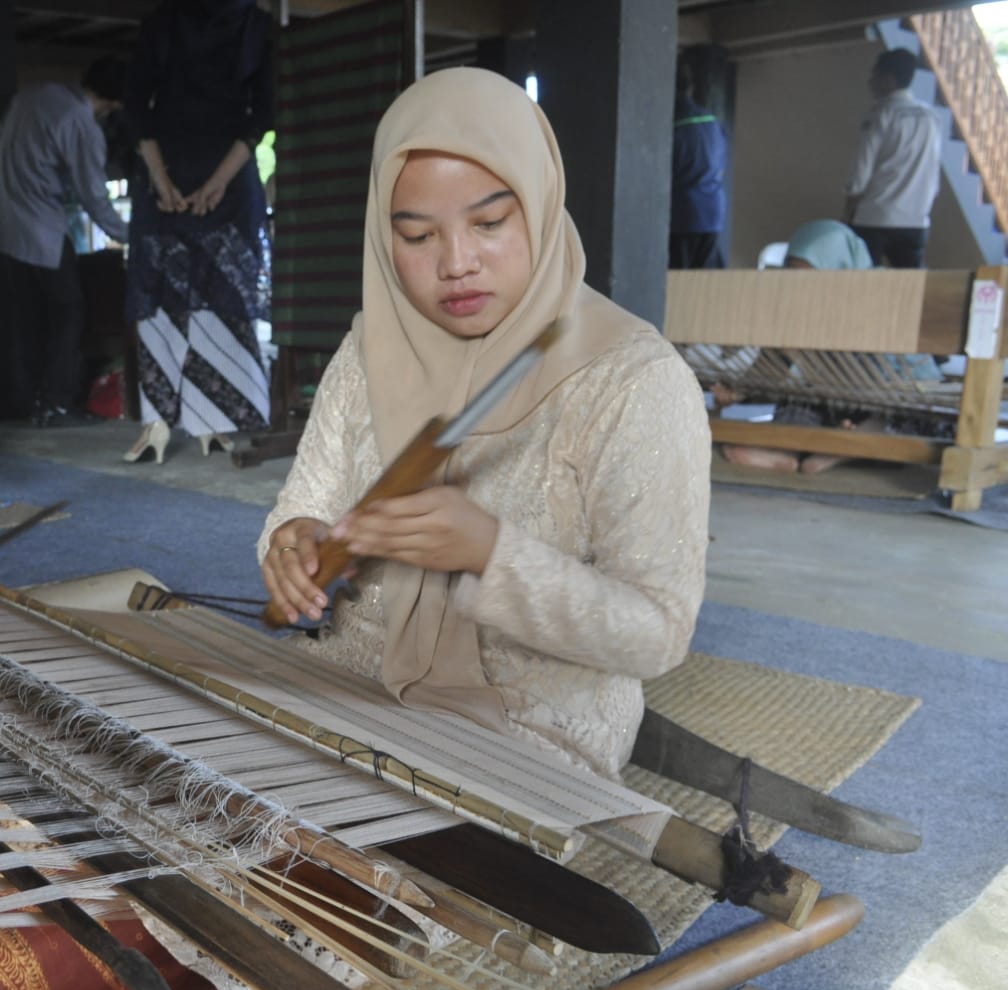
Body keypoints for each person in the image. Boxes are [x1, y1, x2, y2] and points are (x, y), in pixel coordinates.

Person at [259, 67, 711, 780]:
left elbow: (657, 634)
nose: (457, 264)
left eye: (490, 223)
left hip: (524, 726)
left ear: (540, 202)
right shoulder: (369, 347)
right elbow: (303, 509)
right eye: (416, 236)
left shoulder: (632, 380)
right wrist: (292, 548)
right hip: (345, 682)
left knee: (373, 878)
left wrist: (490, 553)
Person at [121, 0, 275, 464]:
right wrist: (182, 180)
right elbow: (262, 114)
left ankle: (189, 420)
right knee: (189, 296)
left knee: (191, 295)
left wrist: (165, 178)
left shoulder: (164, 24)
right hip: (202, 173)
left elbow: (136, 107)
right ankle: (190, 422)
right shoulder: (253, 25)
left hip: (185, 172)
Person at [716, 218, 945, 475]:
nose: (803, 289)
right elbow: (770, 368)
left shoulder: (882, 298)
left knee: (907, 418)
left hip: (897, 398)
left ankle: (843, 446)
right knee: (801, 402)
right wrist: (738, 393)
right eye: (793, 276)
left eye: (813, 278)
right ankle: (786, 450)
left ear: (840, 269)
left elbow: (897, 375)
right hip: (841, 400)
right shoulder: (798, 314)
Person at [0, 57, 130, 425]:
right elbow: (93, 196)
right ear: (116, 102)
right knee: (69, 311)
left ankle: (27, 402)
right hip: (39, 226)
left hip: (1, 222)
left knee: (27, 316)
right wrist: (129, 235)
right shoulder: (82, 123)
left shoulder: (35, 94)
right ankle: (58, 404)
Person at [845, 49, 942, 268]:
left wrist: (848, 211)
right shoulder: (931, 117)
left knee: (860, 284)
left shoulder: (881, 114)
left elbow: (861, 171)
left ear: (888, 78)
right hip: (916, 220)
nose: (870, 81)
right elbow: (933, 174)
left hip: (874, 217)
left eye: (874, 75)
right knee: (911, 288)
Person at [669, 59, 728, 269]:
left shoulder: (669, 122)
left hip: (681, 215)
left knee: (677, 285)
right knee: (704, 284)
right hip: (713, 212)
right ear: (690, 86)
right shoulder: (711, 121)